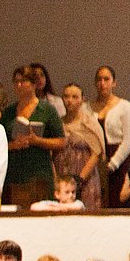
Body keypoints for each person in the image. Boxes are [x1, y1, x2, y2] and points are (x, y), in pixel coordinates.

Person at [2, 66, 65, 206]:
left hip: (39, 171)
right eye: (16, 82)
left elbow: (61, 142)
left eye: (23, 81)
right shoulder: (9, 111)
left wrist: (37, 141)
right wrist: (13, 145)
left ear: (34, 84)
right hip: (14, 172)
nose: (19, 85)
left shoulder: (47, 110)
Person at [50, 81, 107, 211]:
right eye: (66, 96)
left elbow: (96, 153)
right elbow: (51, 153)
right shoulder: (58, 124)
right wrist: (56, 179)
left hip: (85, 178)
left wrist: (80, 178)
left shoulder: (88, 123)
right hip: (63, 177)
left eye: (75, 97)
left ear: (82, 99)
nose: (70, 100)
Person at [91, 65, 130, 180]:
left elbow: (129, 141)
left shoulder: (124, 106)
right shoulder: (87, 107)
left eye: (106, 79)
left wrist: (113, 164)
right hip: (94, 159)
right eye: (99, 79)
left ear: (114, 83)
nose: (102, 83)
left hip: (119, 160)